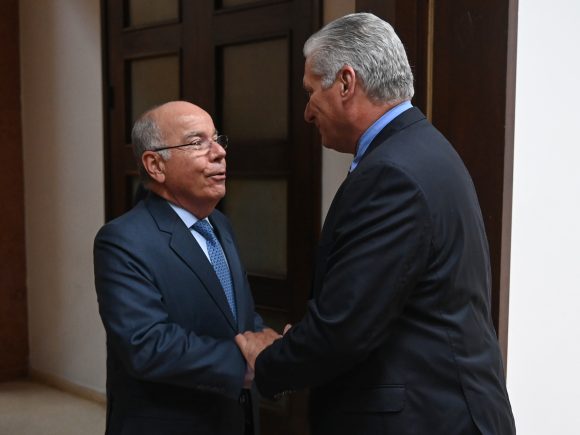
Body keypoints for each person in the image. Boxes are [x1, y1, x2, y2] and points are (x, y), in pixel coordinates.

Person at [235, 13, 516, 435]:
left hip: (425, 418)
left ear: (346, 82)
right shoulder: (419, 147)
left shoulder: (392, 173)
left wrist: (270, 358)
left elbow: (347, 326)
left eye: (311, 92)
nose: (308, 112)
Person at [94, 101, 278, 435]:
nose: (219, 152)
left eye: (217, 138)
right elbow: (146, 344)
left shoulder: (219, 224)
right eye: (197, 143)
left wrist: (266, 341)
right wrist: (252, 363)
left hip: (233, 417)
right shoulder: (123, 240)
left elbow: (237, 313)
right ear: (155, 165)